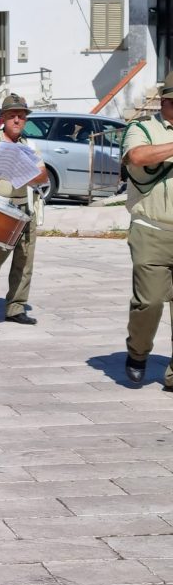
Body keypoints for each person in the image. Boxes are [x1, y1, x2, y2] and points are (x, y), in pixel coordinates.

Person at [0, 94, 48, 325]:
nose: (16, 120)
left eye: (21, 116)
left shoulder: (28, 145)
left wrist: (21, 169)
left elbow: (41, 176)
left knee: (24, 261)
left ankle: (16, 307)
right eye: (12, 116)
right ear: (3, 118)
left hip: (25, 208)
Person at [122, 72, 173, 388]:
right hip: (151, 230)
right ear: (167, 101)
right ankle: (138, 352)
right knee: (150, 302)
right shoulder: (143, 128)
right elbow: (137, 156)